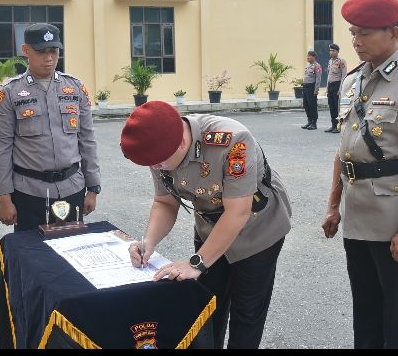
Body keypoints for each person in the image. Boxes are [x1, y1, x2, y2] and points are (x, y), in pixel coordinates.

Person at [321, 0, 398, 349]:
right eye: (353, 33)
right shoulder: (352, 80)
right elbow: (343, 151)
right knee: (366, 310)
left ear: (393, 32)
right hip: (358, 215)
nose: (356, 41)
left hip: (395, 218)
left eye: (365, 33)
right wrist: (333, 206)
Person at [120, 101, 291, 349]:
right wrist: (148, 243)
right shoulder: (160, 148)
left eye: (159, 163)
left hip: (257, 229)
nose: (155, 168)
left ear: (180, 142)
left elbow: (238, 212)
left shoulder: (232, 140)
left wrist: (196, 263)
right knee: (208, 307)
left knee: (247, 313)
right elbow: (165, 202)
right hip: (210, 227)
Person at [0, 23, 101, 232]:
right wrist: (5, 198)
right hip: (29, 193)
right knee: (33, 257)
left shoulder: (75, 88)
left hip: (72, 188)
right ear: (25, 51)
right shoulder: (9, 93)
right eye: (41, 51)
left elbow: (87, 139)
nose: (49, 58)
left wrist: (93, 188)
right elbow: (2, 148)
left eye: (53, 51)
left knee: (71, 253)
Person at [325, 43, 347, 133]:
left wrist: (340, 89)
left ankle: (338, 126)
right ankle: (333, 125)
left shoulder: (341, 61)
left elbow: (344, 76)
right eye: (330, 50)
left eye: (333, 51)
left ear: (337, 52)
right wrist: (327, 87)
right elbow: (329, 76)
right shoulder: (330, 61)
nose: (331, 52)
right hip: (330, 85)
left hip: (337, 85)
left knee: (337, 107)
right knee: (331, 107)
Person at [301, 50, 322, 130]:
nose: (308, 57)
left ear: (313, 57)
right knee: (306, 105)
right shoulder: (308, 66)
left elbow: (318, 79)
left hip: (311, 88)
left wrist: (316, 90)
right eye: (307, 56)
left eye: (309, 56)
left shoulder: (317, 66)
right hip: (305, 87)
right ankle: (309, 121)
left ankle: (314, 123)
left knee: (312, 105)